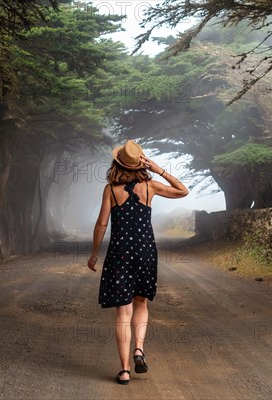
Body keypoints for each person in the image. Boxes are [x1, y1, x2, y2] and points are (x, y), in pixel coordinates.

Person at [87, 139, 188, 385]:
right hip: (145, 251)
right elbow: (183, 191)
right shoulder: (149, 186)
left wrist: (93, 254)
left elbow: (101, 224)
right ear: (140, 163)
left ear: (118, 162)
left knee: (123, 310)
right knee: (141, 302)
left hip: (120, 252)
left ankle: (124, 370)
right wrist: (158, 169)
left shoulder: (111, 189)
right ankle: (139, 351)